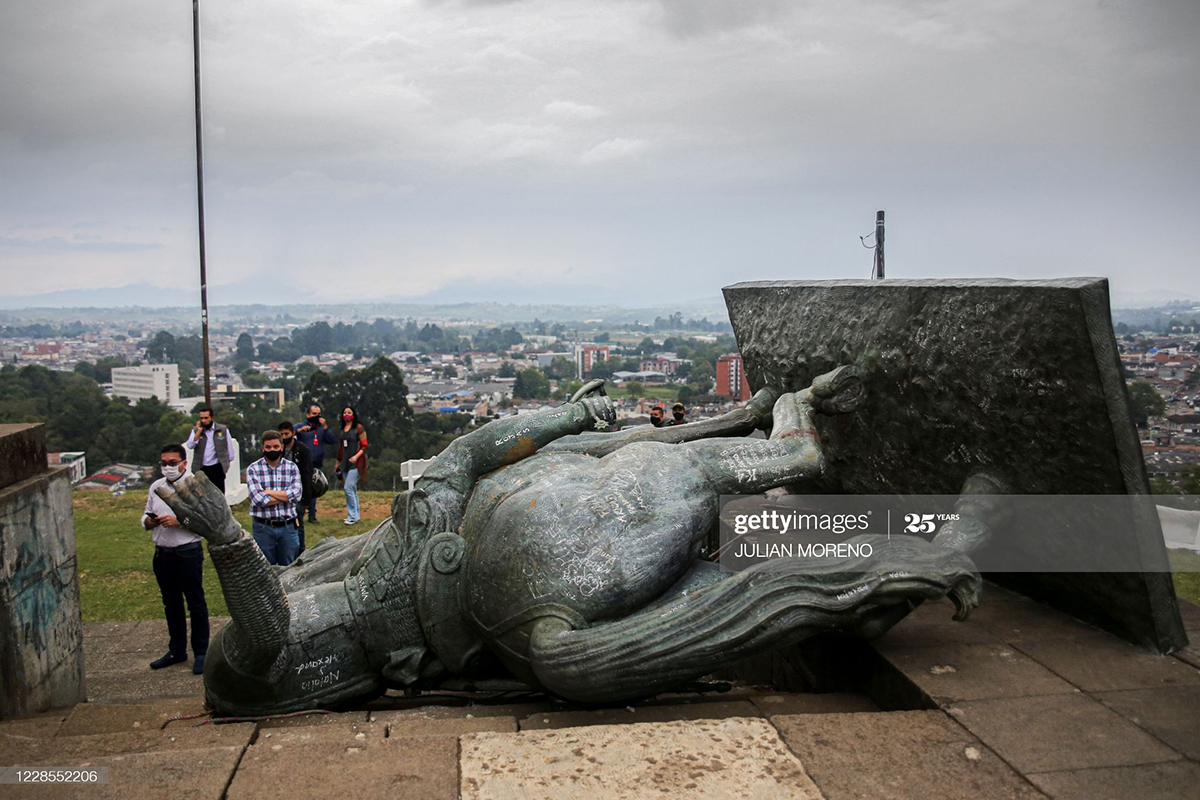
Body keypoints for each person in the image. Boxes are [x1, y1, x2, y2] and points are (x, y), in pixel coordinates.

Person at [141, 444, 208, 674]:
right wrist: (149, 522)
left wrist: (180, 521)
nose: (168, 467)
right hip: (163, 552)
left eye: (172, 463)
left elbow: (207, 520)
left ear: (184, 463)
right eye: (164, 463)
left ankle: (201, 652)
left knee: (195, 603)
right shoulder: (156, 487)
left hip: (188, 551)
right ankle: (176, 650)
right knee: (171, 604)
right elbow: (146, 514)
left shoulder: (195, 486)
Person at [246, 430, 303, 565]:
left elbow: (297, 495)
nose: (272, 450)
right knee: (265, 571)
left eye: (276, 447)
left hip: (288, 527)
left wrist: (268, 492)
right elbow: (258, 500)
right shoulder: (253, 469)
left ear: (281, 447)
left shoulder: (292, 468)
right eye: (268, 447)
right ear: (263, 448)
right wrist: (285, 496)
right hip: (263, 528)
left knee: (290, 569)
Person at [295, 404, 337, 524]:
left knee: (314, 488)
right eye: (314, 414)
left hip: (317, 462)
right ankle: (300, 513)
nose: (316, 417)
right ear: (308, 415)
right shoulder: (301, 426)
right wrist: (299, 431)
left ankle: (312, 515)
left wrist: (325, 427)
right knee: (302, 488)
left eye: (318, 414)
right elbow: (287, 434)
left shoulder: (321, 428)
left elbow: (332, 440)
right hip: (302, 463)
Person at [278, 421, 314, 554]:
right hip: (281, 489)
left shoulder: (302, 450)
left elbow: (307, 474)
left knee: (298, 521)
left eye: (286, 434)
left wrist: (306, 499)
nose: (284, 436)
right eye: (281, 434)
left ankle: (301, 550)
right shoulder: (278, 449)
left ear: (293, 433)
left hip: (297, 490)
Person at [183, 407, 235, 494]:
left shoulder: (222, 430)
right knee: (203, 495)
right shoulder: (196, 430)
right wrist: (198, 432)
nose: (203, 421)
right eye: (201, 418)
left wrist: (226, 464)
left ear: (212, 418)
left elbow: (229, 448)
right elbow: (190, 445)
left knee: (219, 494)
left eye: (206, 418)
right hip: (202, 468)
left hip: (217, 467)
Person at [336, 405, 368, 526]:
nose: (346, 415)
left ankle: (353, 516)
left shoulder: (358, 428)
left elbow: (364, 445)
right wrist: (338, 461)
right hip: (344, 461)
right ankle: (354, 514)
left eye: (349, 412)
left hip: (356, 462)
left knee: (348, 488)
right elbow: (340, 447)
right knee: (351, 490)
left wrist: (356, 456)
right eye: (345, 413)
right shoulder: (342, 428)